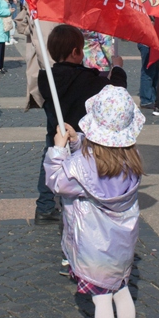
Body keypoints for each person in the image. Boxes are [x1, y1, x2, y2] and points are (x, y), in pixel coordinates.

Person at [45, 86, 144, 318]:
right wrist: (78, 142)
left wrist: (59, 149)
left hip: (94, 246)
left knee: (101, 299)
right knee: (122, 290)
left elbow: (57, 181)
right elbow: (100, 160)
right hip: (122, 245)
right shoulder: (132, 160)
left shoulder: (82, 166)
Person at [36, 25, 128, 224]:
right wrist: (118, 69)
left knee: (50, 163)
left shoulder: (47, 78)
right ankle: (79, 207)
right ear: (76, 52)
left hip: (57, 133)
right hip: (81, 137)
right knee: (79, 173)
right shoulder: (86, 79)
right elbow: (116, 95)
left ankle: (44, 206)